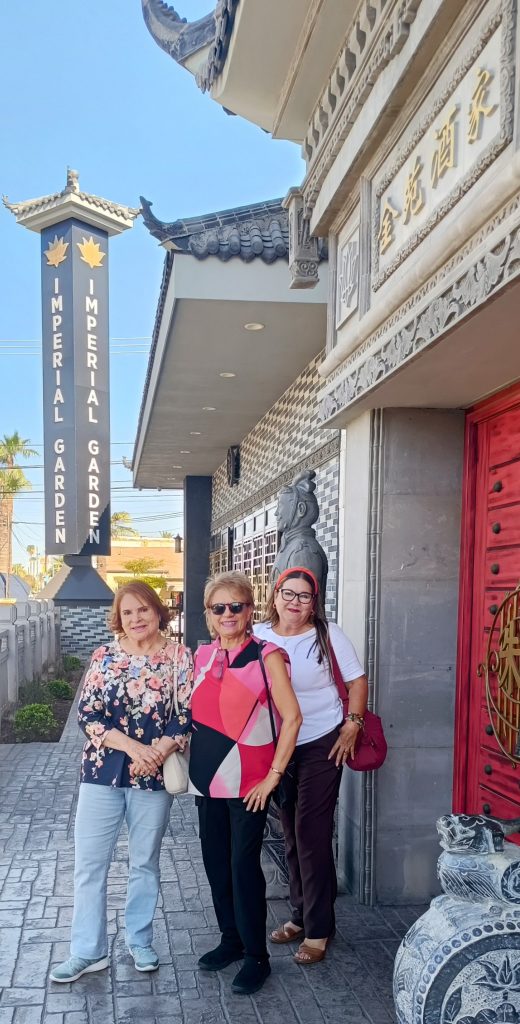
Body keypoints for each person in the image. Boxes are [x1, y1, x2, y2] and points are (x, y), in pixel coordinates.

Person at [50, 581, 193, 983]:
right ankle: (87, 951)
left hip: (153, 778)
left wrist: (156, 754)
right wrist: (134, 748)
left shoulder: (179, 657)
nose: (136, 619)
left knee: (144, 862)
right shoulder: (104, 656)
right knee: (90, 864)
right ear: (118, 618)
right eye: (127, 612)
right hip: (101, 774)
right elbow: (88, 715)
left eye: (143, 609)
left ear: (158, 611)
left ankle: (140, 941)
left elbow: (185, 715)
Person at [189, 570, 302, 995]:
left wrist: (272, 777)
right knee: (217, 865)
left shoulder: (266, 655)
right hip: (207, 781)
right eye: (219, 607)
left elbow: (293, 718)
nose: (228, 613)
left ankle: (257, 956)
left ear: (250, 610)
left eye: (236, 606)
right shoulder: (202, 656)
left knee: (243, 867)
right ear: (208, 614)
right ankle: (231, 940)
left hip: (250, 783)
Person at [255, 566, 368, 965]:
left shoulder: (327, 634)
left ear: (313, 603)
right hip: (278, 746)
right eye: (288, 593)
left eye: (304, 596)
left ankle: (320, 928)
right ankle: (300, 915)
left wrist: (352, 725)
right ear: (275, 595)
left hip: (322, 742)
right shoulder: (259, 635)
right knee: (289, 831)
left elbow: (357, 682)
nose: (295, 602)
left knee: (311, 833)